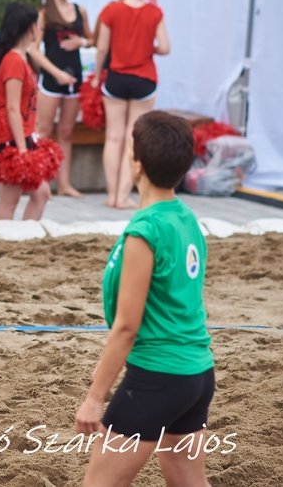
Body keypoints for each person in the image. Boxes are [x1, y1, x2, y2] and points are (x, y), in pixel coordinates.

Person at [76, 111, 214, 487]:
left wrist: (95, 396)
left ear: (137, 164)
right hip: (197, 375)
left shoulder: (145, 231)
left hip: (157, 378)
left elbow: (127, 327)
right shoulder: (186, 219)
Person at [91, 0, 170, 209]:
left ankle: (111, 194)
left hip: (116, 77)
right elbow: (165, 47)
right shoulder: (154, 12)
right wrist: (148, 48)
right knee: (132, 138)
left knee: (113, 137)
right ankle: (124, 196)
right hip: (144, 79)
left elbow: (102, 48)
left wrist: (96, 76)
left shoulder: (111, 10)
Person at [28, 0, 93, 198]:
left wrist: (81, 42)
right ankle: (39, 180)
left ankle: (64, 184)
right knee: (44, 129)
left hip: (73, 77)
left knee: (66, 131)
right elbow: (33, 49)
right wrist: (56, 73)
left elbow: (92, 39)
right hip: (52, 79)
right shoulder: (44, 14)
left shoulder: (79, 11)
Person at [0, 2, 51, 221]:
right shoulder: (13, 61)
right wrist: (22, 148)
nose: (40, 29)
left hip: (22, 136)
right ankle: (4, 238)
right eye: (38, 25)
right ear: (29, 27)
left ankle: (25, 236)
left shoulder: (24, 58)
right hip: (10, 139)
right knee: (10, 200)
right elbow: (12, 107)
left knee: (41, 193)